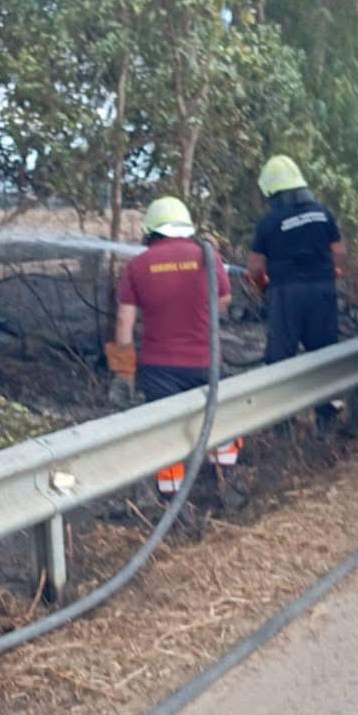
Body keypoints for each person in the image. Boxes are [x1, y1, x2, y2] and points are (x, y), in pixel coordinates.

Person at [106, 196, 235, 504]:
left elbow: (124, 323)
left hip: (158, 367)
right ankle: (226, 486)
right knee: (223, 422)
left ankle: (173, 505)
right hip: (206, 362)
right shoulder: (208, 257)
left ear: (151, 229)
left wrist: (123, 373)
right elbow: (224, 303)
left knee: (166, 436)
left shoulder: (138, 265)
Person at [247, 155, 346, 427]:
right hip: (322, 291)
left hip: (286, 294)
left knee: (281, 358)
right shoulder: (322, 212)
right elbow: (338, 252)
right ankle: (327, 420)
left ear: (272, 190)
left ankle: (282, 423)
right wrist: (330, 273)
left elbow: (255, 268)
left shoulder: (270, 221)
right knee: (325, 355)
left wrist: (263, 287)